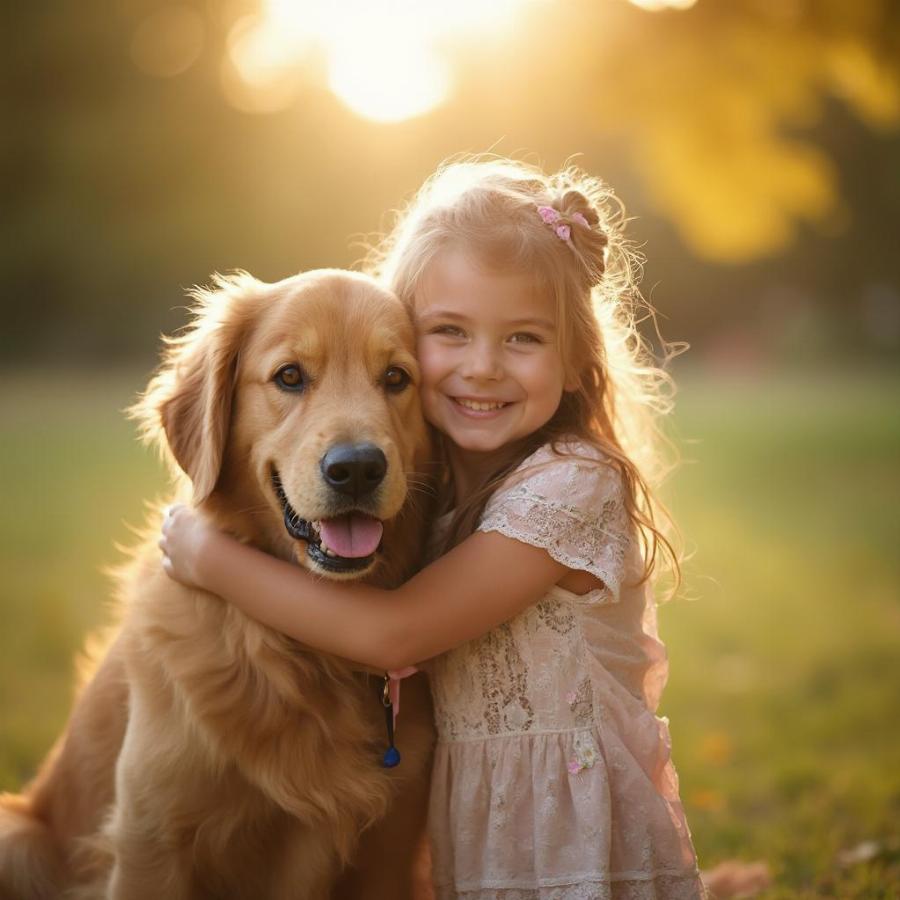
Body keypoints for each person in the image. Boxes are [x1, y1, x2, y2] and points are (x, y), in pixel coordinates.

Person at [159, 157, 707, 899]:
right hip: (487, 845)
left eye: (523, 339)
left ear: (578, 359)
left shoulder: (569, 483)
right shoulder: (441, 486)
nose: (481, 368)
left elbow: (397, 635)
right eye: (449, 333)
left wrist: (205, 558)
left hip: (570, 845)